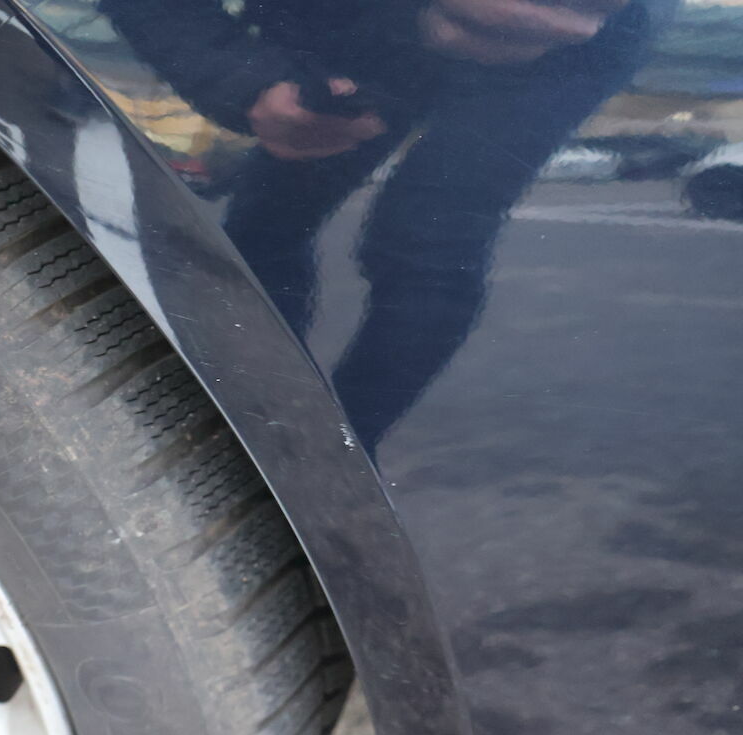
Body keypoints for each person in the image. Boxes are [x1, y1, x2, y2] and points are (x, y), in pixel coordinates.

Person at [100, 0, 653, 451]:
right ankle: (268, 418)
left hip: (553, 45)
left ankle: (339, 455)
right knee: (267, 221)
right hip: (352, 23)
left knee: (427, 236)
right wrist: (244, 78)